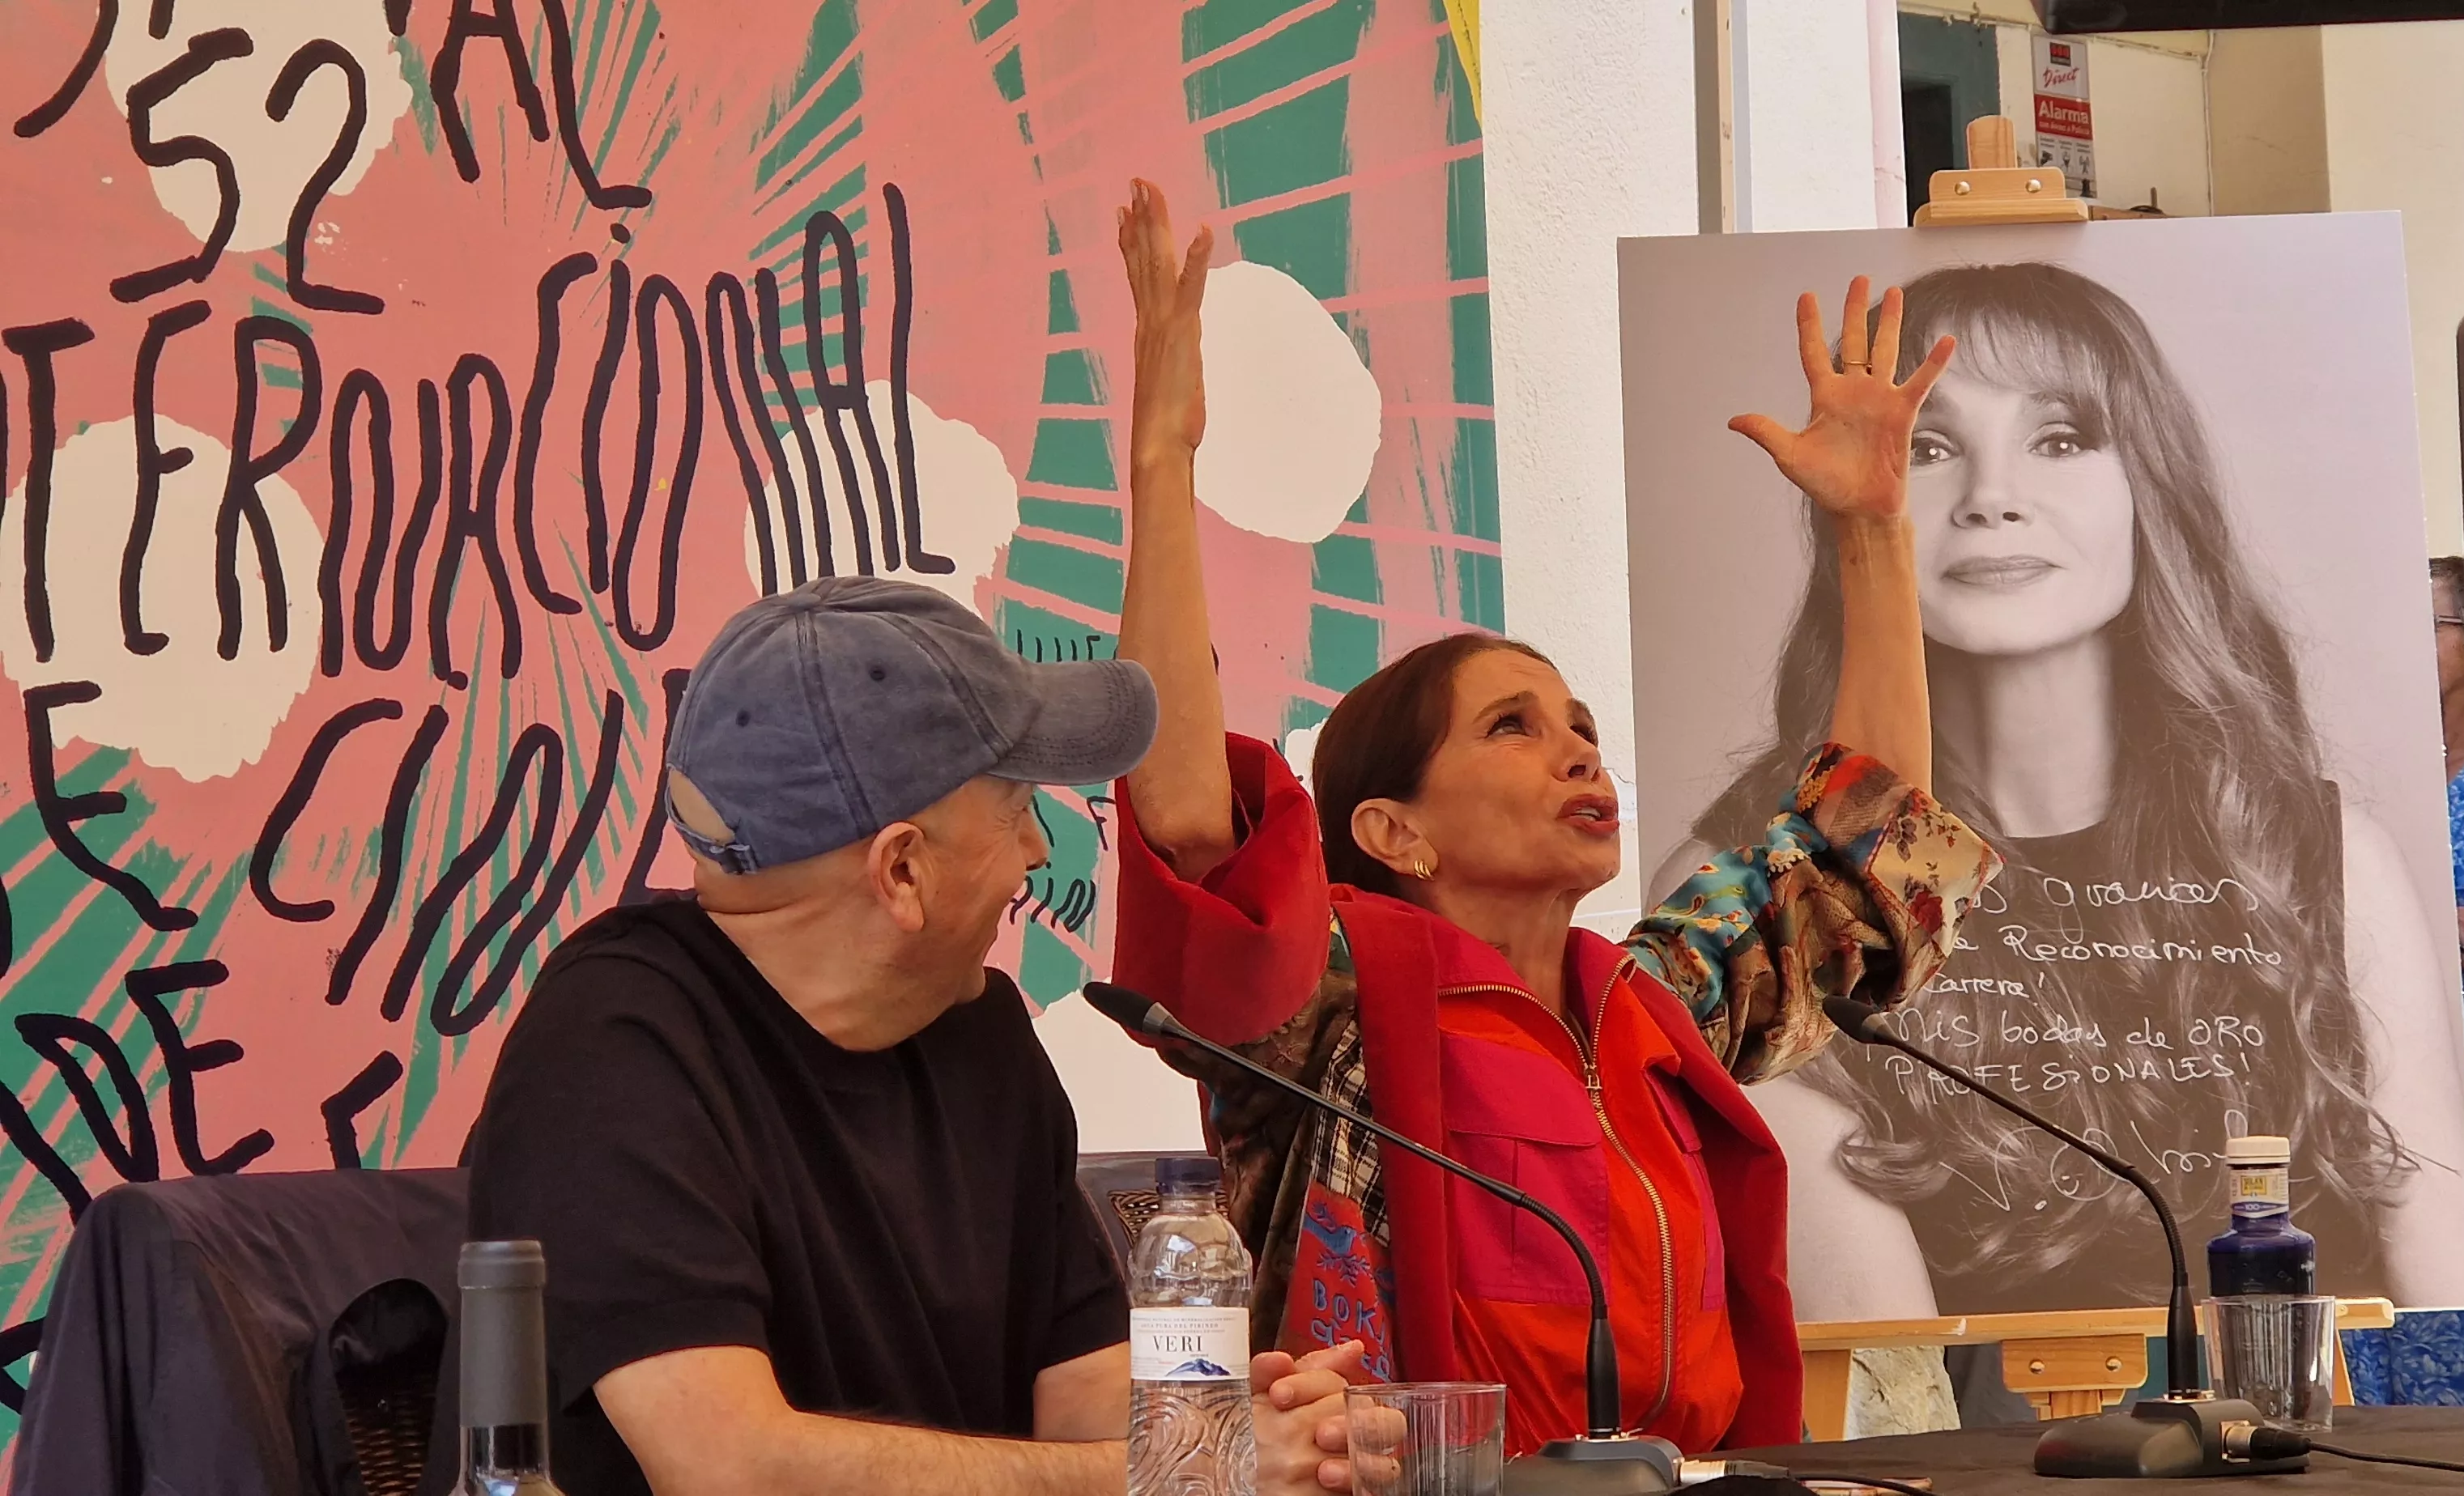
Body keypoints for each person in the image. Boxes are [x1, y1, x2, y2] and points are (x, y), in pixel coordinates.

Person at [1101, 181, 1997, 1456]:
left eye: (1578, 723)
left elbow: (1868, 854)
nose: (1577, 747)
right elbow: (1193, 825)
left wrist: (1873, 533)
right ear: (1393, 832)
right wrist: (1162, 464)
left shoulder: (1658, 1004)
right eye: (1512, 727)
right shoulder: (1335, 1009)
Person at [1677, 261, 2464, 1320]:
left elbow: (2433, 1301)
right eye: (1933, 446)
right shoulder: (1750, 895)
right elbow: (1884, 1382)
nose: (1995, 500)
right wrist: (1871, 533)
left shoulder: (2319, 860)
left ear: (2154, 490)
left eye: (2059, 439)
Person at [463, 576, 1358, 1496]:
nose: (1039, 853)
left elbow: (1080, 1388)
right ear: (902, 869)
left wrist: (1230, 1428)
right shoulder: (612, 1048)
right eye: (1017, 810)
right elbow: (729, 1468)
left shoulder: (982, 1038)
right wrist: (1170, 1472)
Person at [2338, 558, 2464, 1405]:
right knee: (2341, 1339)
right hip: (2336, 1091)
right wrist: (2434, 926)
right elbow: (2294, 943)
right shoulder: (2347, 780)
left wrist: (2375, 928)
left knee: (2449, 1334)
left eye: (2427, 623)